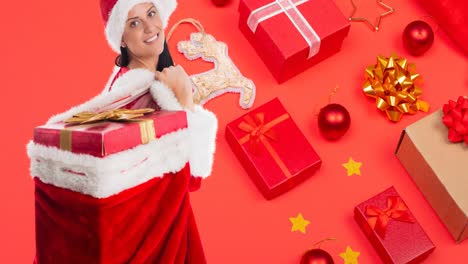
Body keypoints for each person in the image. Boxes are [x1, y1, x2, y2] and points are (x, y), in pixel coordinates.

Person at [27, 1, 217, 263]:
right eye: (134, 23)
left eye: (151, 13)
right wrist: (183, 101)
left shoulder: (126, 80)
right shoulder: (147, 93)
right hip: (155, 241)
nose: (150, 26)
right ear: (123, 39)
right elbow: (187, 179)